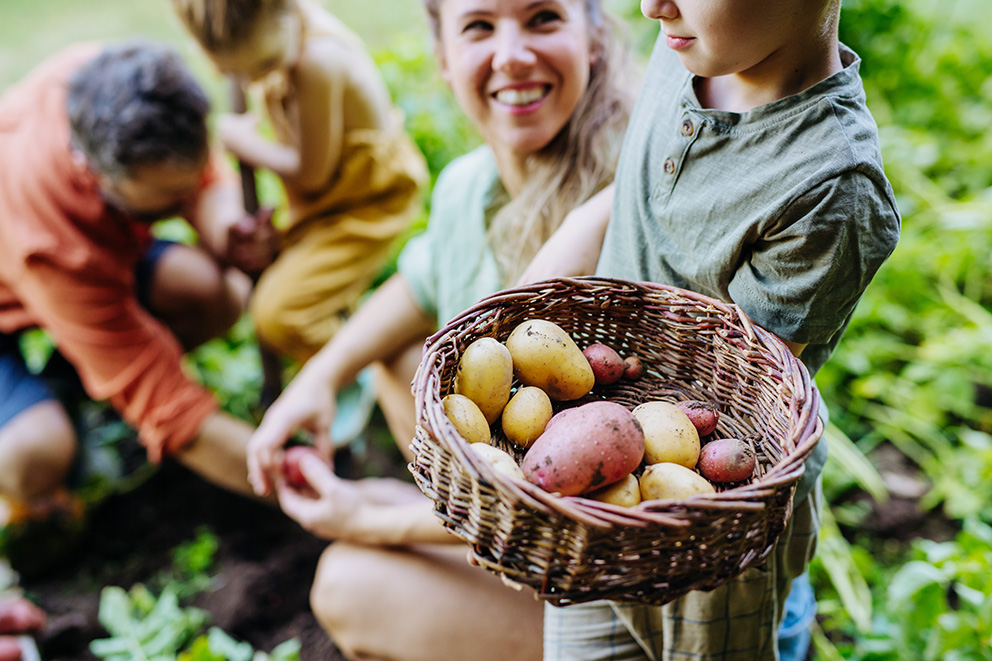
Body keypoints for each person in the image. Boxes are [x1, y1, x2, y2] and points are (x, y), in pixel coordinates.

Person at [246, 0, 634, 659]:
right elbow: (418, 286)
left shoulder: (616, 213)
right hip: (534, 533)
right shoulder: (470, 186)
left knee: (346, 582)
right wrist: (318, 377)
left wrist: (378, 523)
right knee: (394, 359)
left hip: (622, 586)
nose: (511, 53)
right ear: (445, 60)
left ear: (593, 38)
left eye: (543, 18)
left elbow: (567, 496)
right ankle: (439, 536)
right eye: (479, 26)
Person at [530, 0, 901, 659]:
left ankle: (788, 626)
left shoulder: (829, 186)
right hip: (607, 478)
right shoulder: (691, 46)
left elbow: (725, 401)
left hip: (713, 522)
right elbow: (624, 196)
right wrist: (522, 313)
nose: (651, 6)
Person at [0, 41, 276, 538]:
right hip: (30, 262)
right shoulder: (51, 246)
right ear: (95, 173)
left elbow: (206, 179)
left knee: (214, 293)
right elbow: (174, 415)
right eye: (172, 201)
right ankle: (35, 477)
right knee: (36, 455)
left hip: (91, 251)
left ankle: (85, 383)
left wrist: (226, 229)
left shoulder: (119, 85)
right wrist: (297, 482)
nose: (187, 199)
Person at [171, 0, 428, 367]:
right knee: (281, 282)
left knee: (278, 316)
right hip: (328, 200)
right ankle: (355, 338)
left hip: (364, 205)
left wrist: (247, 145)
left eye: (262, 68)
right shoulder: (278, 30)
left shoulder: (317, 61)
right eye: (232, 72)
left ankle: (369, 368)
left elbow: (312, 175)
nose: (250, 82)